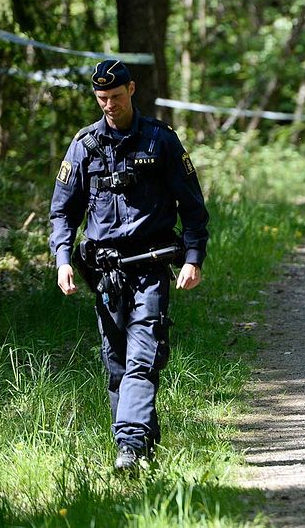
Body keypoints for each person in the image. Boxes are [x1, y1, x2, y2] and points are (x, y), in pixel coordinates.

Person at [49, 60, 209, 470]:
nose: (109, 105)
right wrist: (63, 258)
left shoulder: (161, 141)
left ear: (132, 90)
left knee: (142, 358)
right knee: (116, 363)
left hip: (152, 268)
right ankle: (144, 452)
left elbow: (193, 206)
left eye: (116, 97)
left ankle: (130, 446)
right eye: (102, 99)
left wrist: (193, 257)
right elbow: (63, 213)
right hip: (106, 273)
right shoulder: (84, 145)